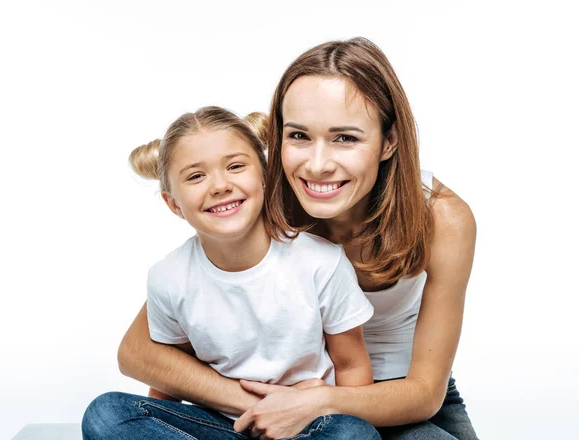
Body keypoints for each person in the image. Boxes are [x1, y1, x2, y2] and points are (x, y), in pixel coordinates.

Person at [111, 37, 479, 440]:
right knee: (108, 415)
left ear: (389, 141)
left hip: (397, 394)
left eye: (346, 138)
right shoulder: (256, 202)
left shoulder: (442, 219)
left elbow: (425, 394)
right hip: (271, 395)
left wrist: (318, 402)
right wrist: (259, 403)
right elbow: (139, 352)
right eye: (299, 136)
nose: (317, 166)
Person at [81, 106, 381, 440]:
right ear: (173, 204)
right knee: (107, 413)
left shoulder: (320, 263)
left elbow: (352, 367)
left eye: (235, 166)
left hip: (307, 424)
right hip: (224, 427)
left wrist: (326, 406)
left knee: (353, 433)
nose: (220, 185)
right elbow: (169, 375)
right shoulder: (169, 278)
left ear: (265, 177)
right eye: (196, 176)